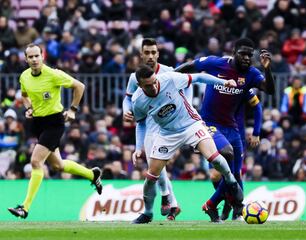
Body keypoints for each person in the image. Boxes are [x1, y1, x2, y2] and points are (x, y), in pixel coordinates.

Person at [131, 64, 244, 224]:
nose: (154, 86)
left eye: (154, 81)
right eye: (148, 85)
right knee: (151, 177)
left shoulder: (170, 79)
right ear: (140, 85)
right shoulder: (138, 101)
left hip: (191, 125)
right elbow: (141, 123)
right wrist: (138, 147)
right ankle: (147, 213)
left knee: (215, 158)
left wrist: (223, 83)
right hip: (167, 134)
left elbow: (198, 77)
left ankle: (231, 181)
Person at [176, 38, 274, 222]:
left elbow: (268, 91)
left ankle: (218, 206)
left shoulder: (251, 75)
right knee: (224, 158)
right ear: (234, 52)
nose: (246, 58)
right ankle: (234, 206)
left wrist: (267, 68)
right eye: (242, 54)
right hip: (208, 124)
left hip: (233, 128)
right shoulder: (216, 63)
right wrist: (170, 76)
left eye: (249, 55)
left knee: (235, 175)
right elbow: (192, 65)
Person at [8, 43, 103, 219]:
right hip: (39, 123)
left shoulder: (53, 74)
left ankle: (25, 207)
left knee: (36, 162)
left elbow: (79, 86)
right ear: (26, 59)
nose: (34, 59)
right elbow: (24, 95)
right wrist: (28, 108)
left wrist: (73, 110)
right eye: (31, 57)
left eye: (37, 56)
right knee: (58, 165)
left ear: (42, 56)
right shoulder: (24, 77)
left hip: (54, 122)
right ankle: (92, 174)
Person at [122, 38, 191, 220]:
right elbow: (127, 98)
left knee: (155, 166)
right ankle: (172, 203)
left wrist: (188, 105)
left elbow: (187, 84)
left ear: (158, 53)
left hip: (170, 122)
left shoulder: (168, 72)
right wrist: (126, 110)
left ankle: (165, 200)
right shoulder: (134, 78)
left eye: (154, 52)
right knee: (156, 165)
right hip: (149, 123)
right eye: (147, 53)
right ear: (141, 54)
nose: (151, 56)